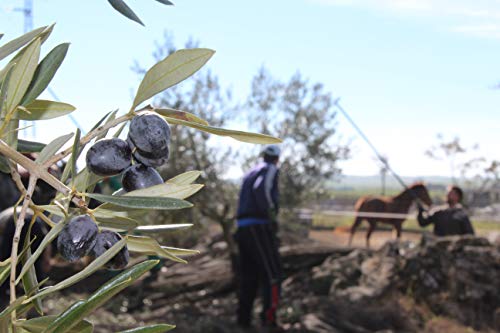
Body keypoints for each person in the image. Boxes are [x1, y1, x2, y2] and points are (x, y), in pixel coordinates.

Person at [235, 144, 283, 332]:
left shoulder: (250, 172)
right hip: (258, 226)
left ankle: (243, 321)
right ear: (277, 158)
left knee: (249, 276)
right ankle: (269, 321)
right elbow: (261, 189)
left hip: (242, 228)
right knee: (273, 274)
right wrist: (271, 215)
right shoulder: (270, 169)